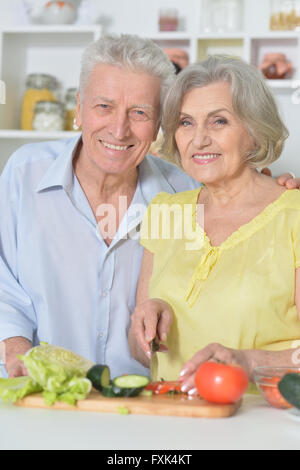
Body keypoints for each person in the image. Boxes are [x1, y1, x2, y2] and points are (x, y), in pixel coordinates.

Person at [0, 36, 297, 379]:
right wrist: (15, 344)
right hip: (39, 392)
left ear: (158, 124)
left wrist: (280, 196)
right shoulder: (25, 173)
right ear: (79, 108)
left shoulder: (184, 190)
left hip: (145, 405)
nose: (118, 128)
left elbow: (246, 207)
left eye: (139, 112)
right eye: (103, 107)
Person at [129, 54, 300, 393]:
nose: (199, 139)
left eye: (219, 121)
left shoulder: (293, 215)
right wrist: (149, 323)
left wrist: (250, 363)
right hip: (168, 418)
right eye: (186, 122)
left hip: (261, 424)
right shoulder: (165, 212)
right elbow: (141, 353)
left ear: (254, 131)